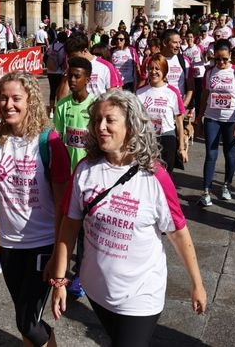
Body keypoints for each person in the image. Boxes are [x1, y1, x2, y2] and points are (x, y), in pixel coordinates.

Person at [50, 90, 207, 346]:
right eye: (97, 120)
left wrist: (197, 283)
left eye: (110, 120)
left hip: (141, 294)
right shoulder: (85, 170)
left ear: (131, 126)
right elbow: (69, 225)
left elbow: (178, 233)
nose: (100, 127)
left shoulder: (154, 177)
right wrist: (59, 280)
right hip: (96, 290)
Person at [0, 72, 70, 347]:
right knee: (24, 315)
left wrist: (59, 255)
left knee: (27, 321)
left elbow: (64, 209)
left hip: (42, 244)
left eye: (16, 98)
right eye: (3, 98)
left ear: (31, 101)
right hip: (9, 245)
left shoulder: (49, 142)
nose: (9, 105)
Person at [52, 56, 95, 298]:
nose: (72, 79)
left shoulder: (97, 105)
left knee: (86, 229)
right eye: (70, 75)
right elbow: (58, 141)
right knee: (67, 223)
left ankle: (82, 273)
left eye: (77, 76)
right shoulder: (63, 106)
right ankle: (63, 268)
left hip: (89, 177)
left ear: (88, 79)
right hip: (67, 179)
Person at [195, 40, 235, 204]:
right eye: (217, 59)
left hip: (231, 120)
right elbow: (204, 96)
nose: (221, 62)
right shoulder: (209, 72)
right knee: (211, 154)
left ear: (230, 56)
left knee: (229, 154)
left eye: (225, 59)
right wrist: (199, 117)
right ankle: (206, 191)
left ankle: (226, 185)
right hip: (212, 118)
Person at [136, 53, 187, 174]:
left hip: (167, 137)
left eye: (157, 69)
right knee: (145, 174)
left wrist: (182, 147)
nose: (153, 72)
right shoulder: (139, 92)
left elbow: (179, 121)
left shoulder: (173, 92)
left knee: (164, 175)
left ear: (164, 71)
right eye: (151, 68)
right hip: (146, 138)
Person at [55, 32, 122, 101]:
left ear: (85, 51)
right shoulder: (71, 68)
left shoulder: (106, 67)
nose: (70, 59)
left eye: (74, 56)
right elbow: (61, 99)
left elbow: (115, 96)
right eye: (68, 56)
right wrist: (67, 75)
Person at [45, 32, 68, 119]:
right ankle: (58, 110)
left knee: (52, 90)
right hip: (59, 71)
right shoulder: (64, 48)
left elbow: (46, 56)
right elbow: (62, 59)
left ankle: (51, 111)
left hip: (50, 71)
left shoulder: (52, 45)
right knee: (59, 91)